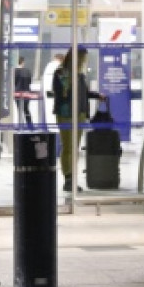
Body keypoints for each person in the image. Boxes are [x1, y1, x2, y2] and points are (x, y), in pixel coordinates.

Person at [53, 47, 103, 194]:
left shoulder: (80, 74)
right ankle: (68, 178)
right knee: (68, 146)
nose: (84, 61)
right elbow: (61, 94)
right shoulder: (62, 72)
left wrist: (97, 95)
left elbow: (84, 93)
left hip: (79, 114)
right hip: (66, 113)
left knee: (74, 147)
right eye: (83, 58)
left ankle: (71, 178)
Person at [13, 55, 36, 128]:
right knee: (26, 109)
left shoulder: (14, 71)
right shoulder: (27, 71)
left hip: (17, 92)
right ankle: (30, 125)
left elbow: (13, 82)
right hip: (27, 92)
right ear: (22, 62)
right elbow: (30, 81)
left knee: (19, 109)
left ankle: (20, 125)